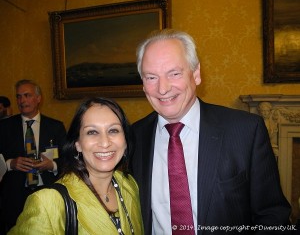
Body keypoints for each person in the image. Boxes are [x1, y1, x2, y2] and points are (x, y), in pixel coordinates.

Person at [130, 29, 292, 234]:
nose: (163, 89)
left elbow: (273, 215)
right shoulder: (133, 138)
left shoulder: (245, 131)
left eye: (174, 73)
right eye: (151, 77)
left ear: (196, 74)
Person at [9, 97, 144, 234]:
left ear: (125, 140)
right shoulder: (48, 203)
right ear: (77, 144)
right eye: (92, 132)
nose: (104, 142)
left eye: (113, 130)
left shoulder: (129, 186)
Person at [0, 79, 67, 233]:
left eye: (27, 95)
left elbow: (68, 160)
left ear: (38, 99)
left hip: (47, 193)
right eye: (18, 97)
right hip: (14, 197)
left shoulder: (56, 127)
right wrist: (10, 164)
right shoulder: (4, 127)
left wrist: (52, 165)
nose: (22, 100)